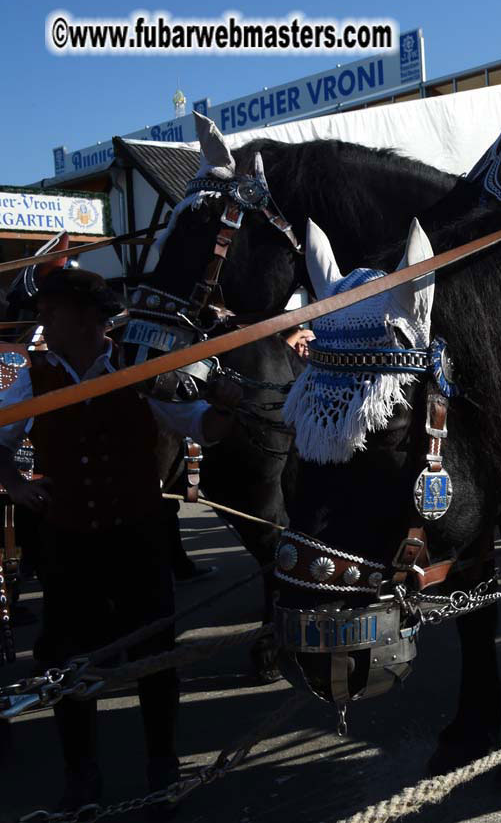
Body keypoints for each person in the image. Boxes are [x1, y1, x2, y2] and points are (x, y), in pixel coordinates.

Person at [0, 270, 238, 817]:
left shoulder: (138, 369)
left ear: (85, 321)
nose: (41, 322)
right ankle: (81, 777)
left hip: (137, 540)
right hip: (68, 546)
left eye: (51, 313)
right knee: (67, 665)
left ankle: (162, 766)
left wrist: (225, 407)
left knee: (155, 656)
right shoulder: (31, 378)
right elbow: (0, 439)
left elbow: (203, 426)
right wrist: (15, 484)